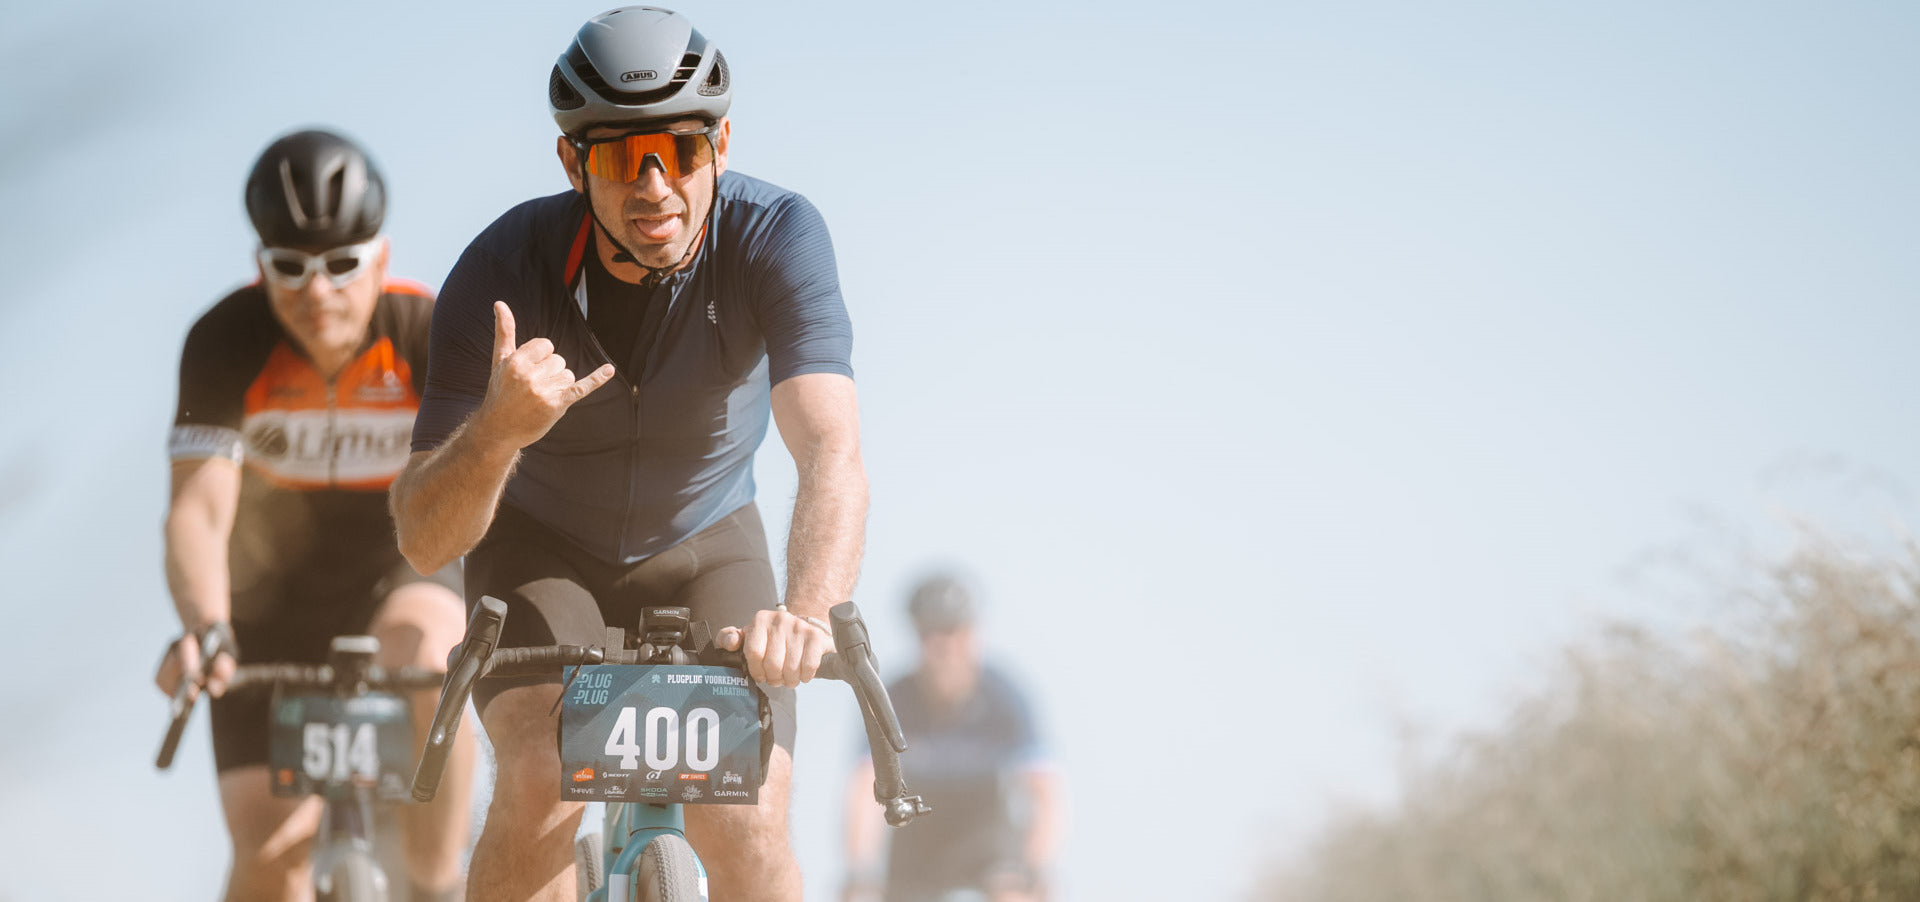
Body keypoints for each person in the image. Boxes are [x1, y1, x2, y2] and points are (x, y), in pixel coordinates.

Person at [388, 6, 865, 901]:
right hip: (541, 550)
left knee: (751, 817)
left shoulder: (777, 237)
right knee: (538, 781)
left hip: (709, 541)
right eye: (618, 157)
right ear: (573, 163)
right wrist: (494, 435)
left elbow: (831, 448)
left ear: (721, 143)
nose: (654, 186)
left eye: (680, 151)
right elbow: (423, 538)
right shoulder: (499, 273)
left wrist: (804, 612)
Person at [156, 127, 474, 902]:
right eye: (289, 267)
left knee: (430, 655)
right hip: (269, 600)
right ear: (261, 265)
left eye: (341, 265)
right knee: (270, 856)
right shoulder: (225, 339)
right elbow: (197, 512)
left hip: (400, 567)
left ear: (382, 260)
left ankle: (435, 881)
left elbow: (474, 496)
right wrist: (205, 624)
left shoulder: (429, 332)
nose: (316, 291)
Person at [841, 576, 1064, 902]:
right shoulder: (893, 698)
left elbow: (1047, 793)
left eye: (955, 632)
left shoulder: (1004, 697)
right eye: (931, 633)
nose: (944, 648)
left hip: (984, 826)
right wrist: (859, 872)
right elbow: (863, 788)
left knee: (1015, 893)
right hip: (918, 825)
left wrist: (1037, 868)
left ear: (975, 633)